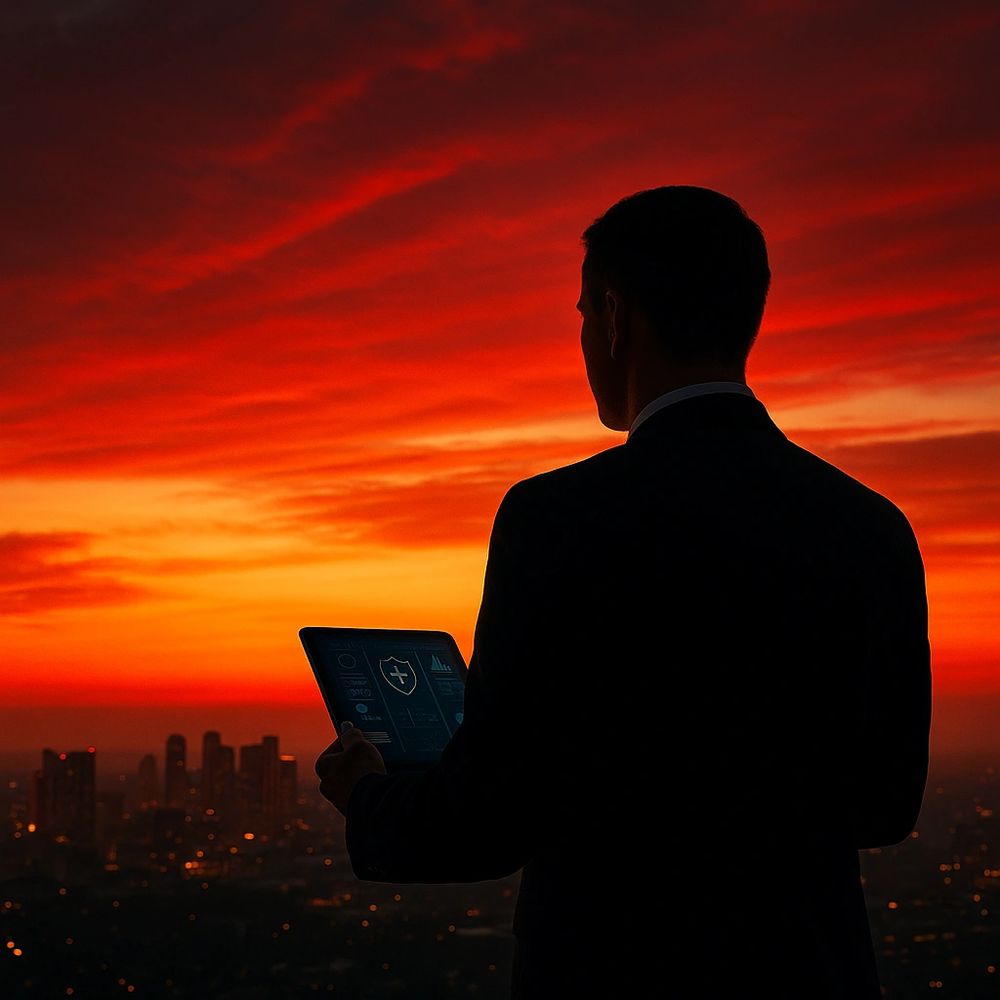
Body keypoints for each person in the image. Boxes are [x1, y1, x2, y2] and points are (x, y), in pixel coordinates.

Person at [315, 185, 932, 999]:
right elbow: (887, 806)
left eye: (579, 314)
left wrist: (367, 795)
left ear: (613, 315)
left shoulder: (557, 521)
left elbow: (487, 819)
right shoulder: (871, 529)